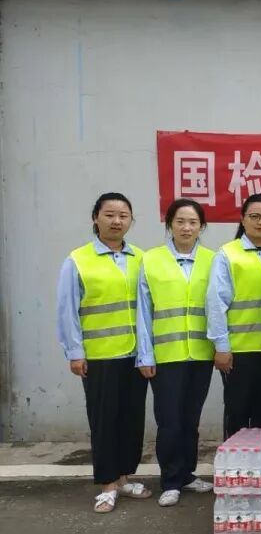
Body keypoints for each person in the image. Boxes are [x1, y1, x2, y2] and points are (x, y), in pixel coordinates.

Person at [57, 193, 152, 513]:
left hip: (134, 355)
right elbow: (67, 310)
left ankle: (124, 478)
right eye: (109, 214)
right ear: (95, 218)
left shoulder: (140, 258)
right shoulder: (78, 260)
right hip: (99, 357)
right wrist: (75, 351)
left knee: (131, 419)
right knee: (104, 420)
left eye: (123, 215)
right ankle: (108, 484)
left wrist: (147, 352)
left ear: (131, 221)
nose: (116, 221)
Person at [136, 198, 217, 507]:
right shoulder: (151, 260)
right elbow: (143, 311)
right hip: (166, 355)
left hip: (200, 353)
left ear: (201, 227)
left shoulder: (212, 260)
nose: (186, 228)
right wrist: (145, 354)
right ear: (169, 224)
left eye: (193, 222)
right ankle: (170, 480)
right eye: (180, 221)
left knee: (190, 419)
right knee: (169, 420)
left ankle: (187, 474)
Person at [207, 193, 261, 437]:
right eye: (255, 216)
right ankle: (234, 460)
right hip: (238, 352)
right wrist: (221, 346)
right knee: (237, 413)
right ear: (242, 219)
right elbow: (216, 303)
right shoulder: (228, 254)